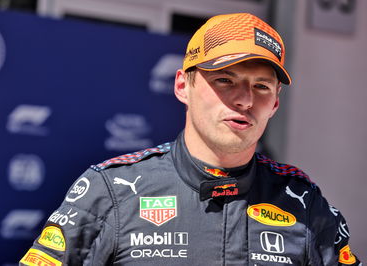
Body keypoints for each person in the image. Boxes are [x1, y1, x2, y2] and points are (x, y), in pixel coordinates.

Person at [20, 13, 361, 265]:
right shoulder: (111, 191)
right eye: (225, 80)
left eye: (260, 86)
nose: (244, 100)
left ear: (274, 104)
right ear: (183, 86)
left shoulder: (303, 201)